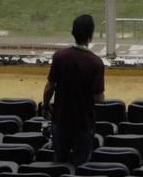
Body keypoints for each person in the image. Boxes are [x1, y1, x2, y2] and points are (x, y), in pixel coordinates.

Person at [41, 13, 105, 171]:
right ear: (90, 36)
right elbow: (98, 98)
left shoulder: (59, 56)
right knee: (81, 165)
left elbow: (50, 86)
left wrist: (44, 106)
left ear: (73, 33)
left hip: (60, 120)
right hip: (84, 123)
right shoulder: (96, 63)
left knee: (59, 164)